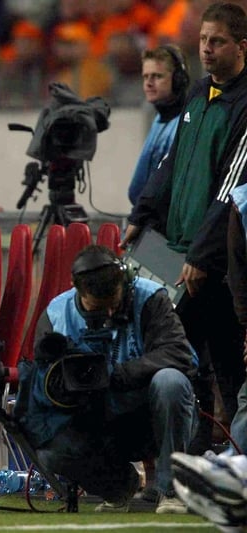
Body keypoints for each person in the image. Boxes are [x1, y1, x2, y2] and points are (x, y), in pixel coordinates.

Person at [121, 2, 247, 455]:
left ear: (242, 47)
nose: (207, 50)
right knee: (180, 358)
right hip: (174, 252)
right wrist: (142, 215)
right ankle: (183, 460)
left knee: (226, 361)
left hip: (216, 262)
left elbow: (231, 186)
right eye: (203, 41)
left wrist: (202, 253)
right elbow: (172, 164)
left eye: (218, 42)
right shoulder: (198, 93)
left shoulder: (244, 104)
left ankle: (233, 460)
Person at [16, 245, 197, 514]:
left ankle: (172, 490)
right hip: (95, 419)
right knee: (50, 452)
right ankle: (119, 487)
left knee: (170, 381)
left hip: (149, 412)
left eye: (115, 304)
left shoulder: (150, 298)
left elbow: (179, 354)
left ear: (125, 282)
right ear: (76, 289)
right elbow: (41, 389)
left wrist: (120, 375)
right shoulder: (57, 314)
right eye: (98, 310)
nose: (110, 315)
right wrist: (66, 391)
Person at [128, 45, 189, 205]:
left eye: (157, 76)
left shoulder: (186, 124)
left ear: (178, 80)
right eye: (145, 76)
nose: (148, 83)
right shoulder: (159, 119)